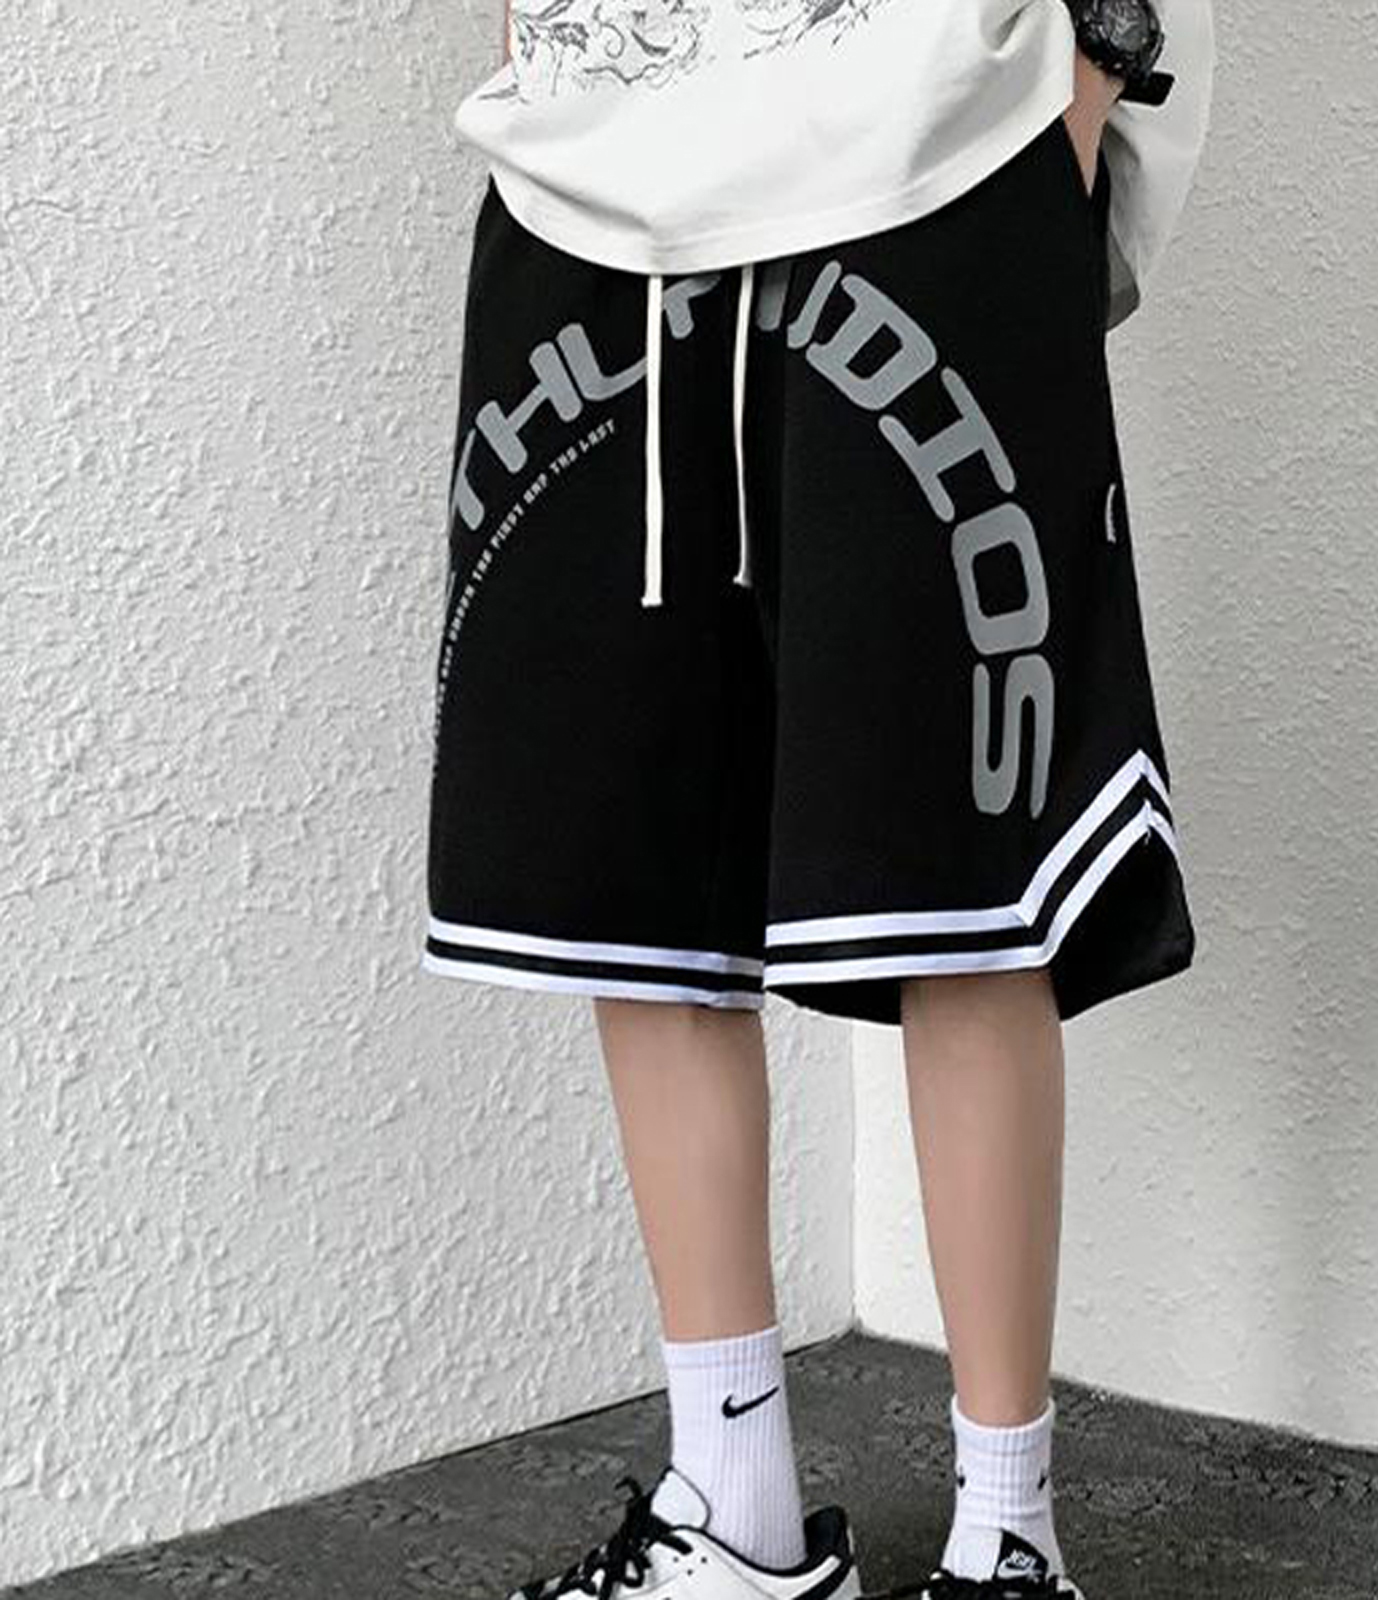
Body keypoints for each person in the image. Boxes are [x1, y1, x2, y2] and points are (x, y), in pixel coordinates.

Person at [421, 4, 1214, 1600]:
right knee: (633, 877)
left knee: (961, 873)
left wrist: (1102, 60)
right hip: (594, 177)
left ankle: (1009, 1540)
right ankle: (732, 1514)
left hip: (934, 150)